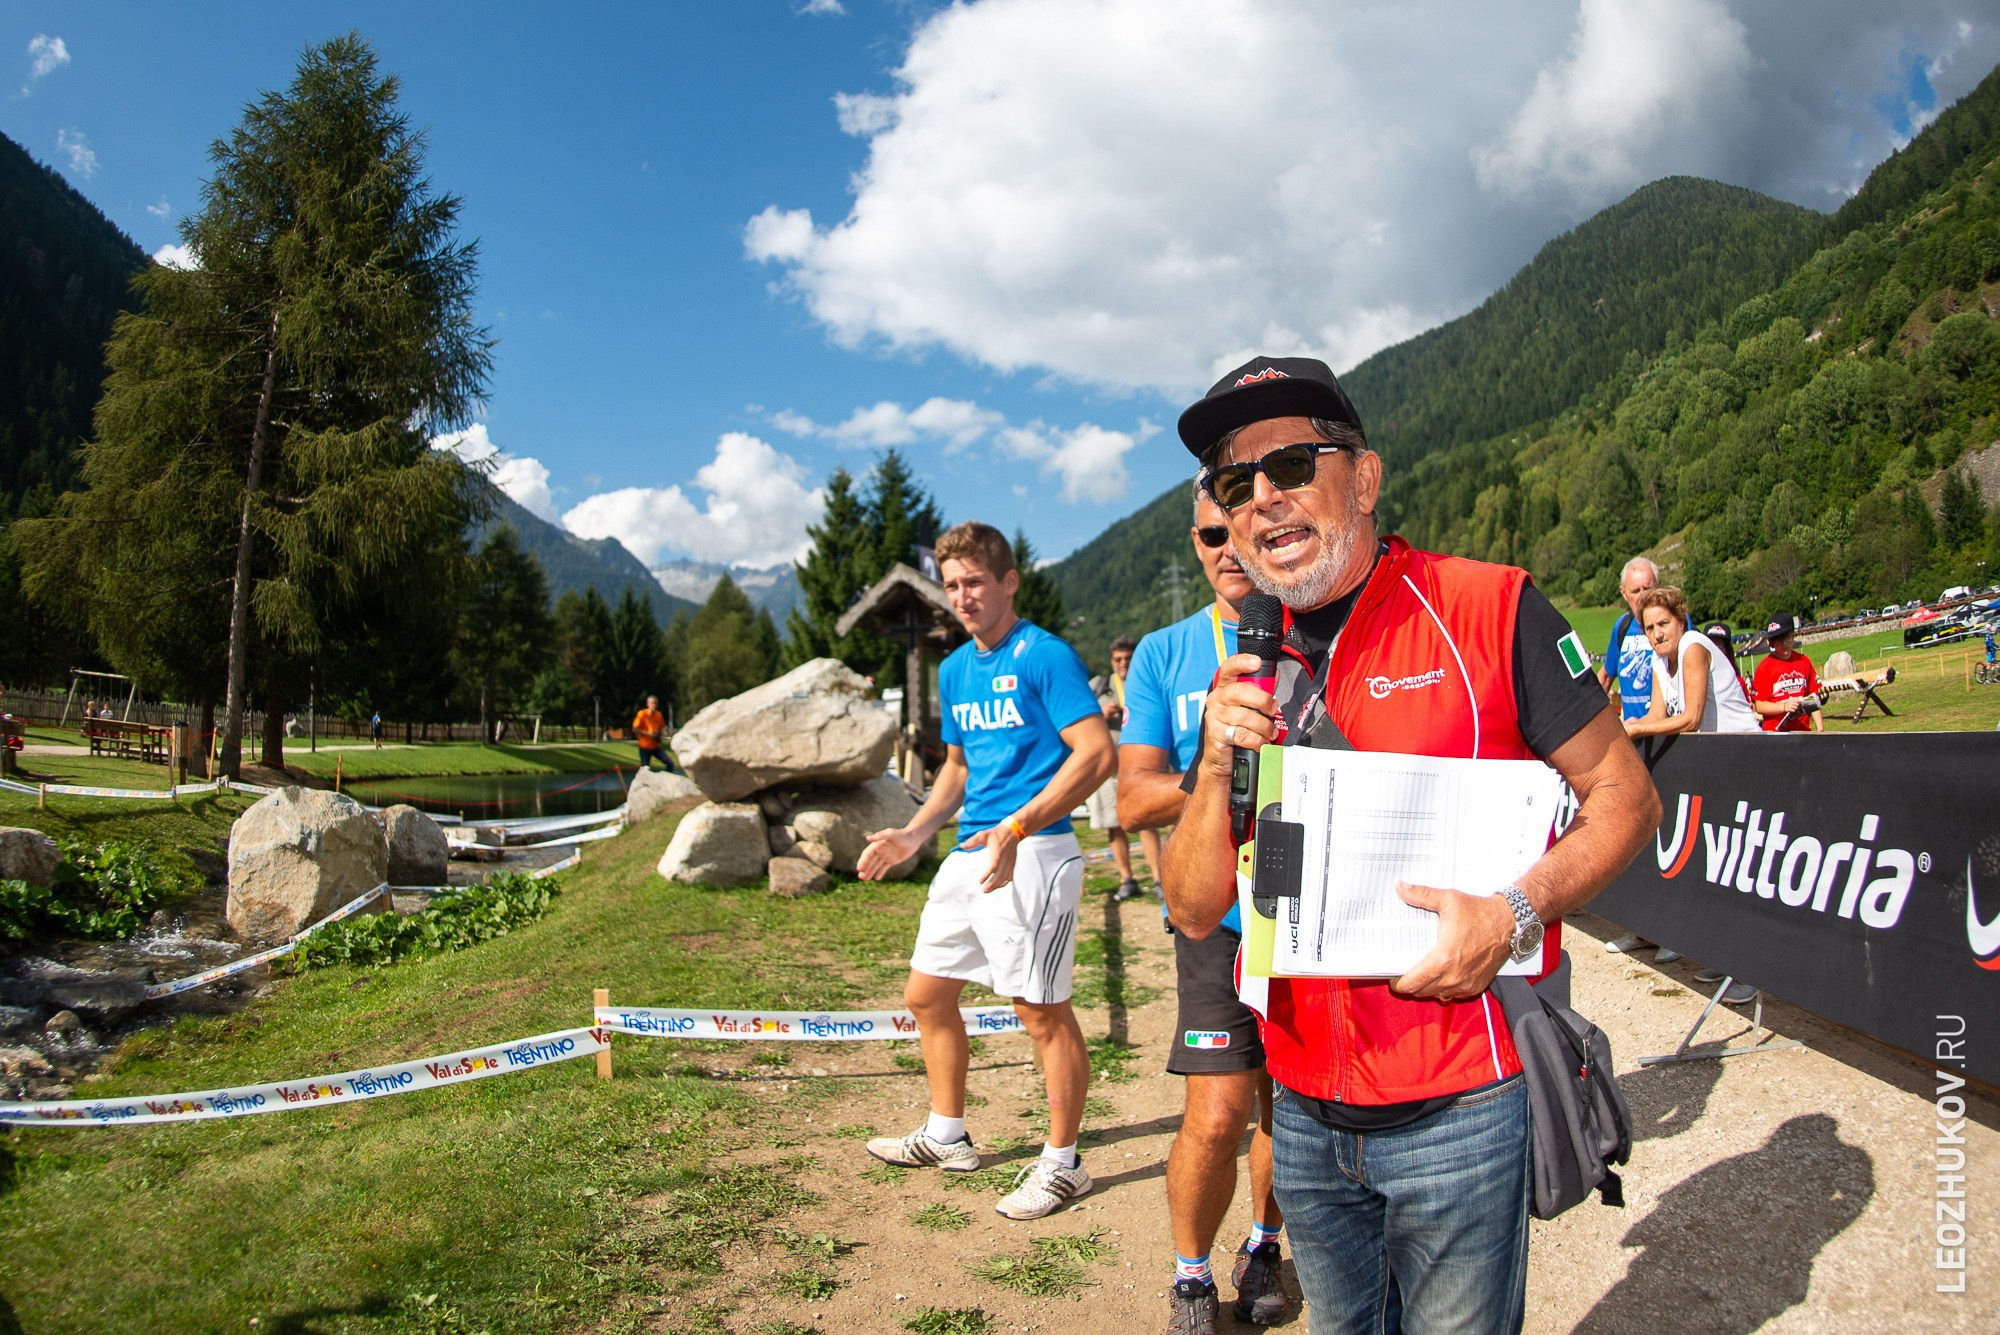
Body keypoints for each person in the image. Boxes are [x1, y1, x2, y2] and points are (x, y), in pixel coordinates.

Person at [1161, 355, 1658, 1335]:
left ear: (1364, 477)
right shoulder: (1246, 663)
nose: (1261, 499)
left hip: (1459, 1108)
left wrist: (1511, 912)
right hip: (1300, 1112)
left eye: (1292, 463)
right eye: (1232, 482)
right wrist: (1215, 765)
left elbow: (1623, 800)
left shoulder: (1488, 605)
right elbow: (1186, 906)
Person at [856, 521, 1115, 1221]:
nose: (963, 596)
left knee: (1040, 1011)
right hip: (972, 853)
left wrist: (1019, 825)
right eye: (953, 585)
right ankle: (948, 1134)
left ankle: (1064, 1164)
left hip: (1034, 853)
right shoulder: (955, 668)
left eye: (975, 581)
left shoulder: (1046, 656)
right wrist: (915, 832)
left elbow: (1095, 755)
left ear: (1008, 581)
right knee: (926, 994)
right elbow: (959, 767)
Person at [1120, 483, 1291, 1330]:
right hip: (1213, 915)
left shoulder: (1315, 631)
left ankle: (1263, 1245)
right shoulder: (1164, 651)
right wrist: (1215, 764)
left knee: (1286, 1109)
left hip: (1303, 911)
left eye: (1242, 529)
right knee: (1219, 1110)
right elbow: (1131, 796)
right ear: (1194, 543)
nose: (1229, 547)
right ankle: (1191, 1276)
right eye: (1210, 534)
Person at [1623, 588, 1757, 737]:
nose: (1657, 635)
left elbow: (1692, 719)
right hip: (1714, 750)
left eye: (1664, 624)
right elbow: (1656, 715)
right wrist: (1628, 727)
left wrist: (1638, 730)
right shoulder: (1659, 658)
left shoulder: (1692, 645)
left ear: (1681, 622)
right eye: (1650, 628)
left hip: (1745, 744)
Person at [1086, 636, 1150, 900]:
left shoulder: (1147, 681)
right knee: (1115, 825)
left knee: (1146, 823)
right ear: (1111, 661)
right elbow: (1081, 725)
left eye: (1128, 658)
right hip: (1109, 770)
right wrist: (1102, 716)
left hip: (1141, 767)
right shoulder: (1099, 688)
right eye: (1118, 659)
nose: (1123, 663)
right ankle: (1127, 878)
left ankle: (1158, 879)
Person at [1598, 557, 1662, 721]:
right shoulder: (1622, 627)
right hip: (1633, 735)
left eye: (1647, 588)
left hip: (1669, 733)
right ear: (1624, 593)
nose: (1642, 596)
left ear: (1659, 586)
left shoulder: (1676, 623)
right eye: (1635, 591)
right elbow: (1605, 677)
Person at [1751, 614, 1824, 733]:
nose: (1784, 643)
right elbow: (1759, 706)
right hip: (1775, 732)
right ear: (1771, 643)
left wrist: (1821, 730)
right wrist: (1783, 706)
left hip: (1802, 730)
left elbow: (1813, 698)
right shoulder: (1765, 668)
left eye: (1788, 638)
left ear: (1793, 636)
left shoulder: (1803, 661)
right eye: (1779, 640)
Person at [631, 695, 669, 770]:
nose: (653, 705)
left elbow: (663, 728)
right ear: (647, 704)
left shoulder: (659, 715)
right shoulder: (642, 714)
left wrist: (661, 734)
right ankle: (642, 781)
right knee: (645, 768)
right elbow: (634, 729)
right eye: (652, 703)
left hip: (656, 747)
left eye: (655, 703)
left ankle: (667, 780)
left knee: (669, 763)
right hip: (645, 748)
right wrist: (649, 734)